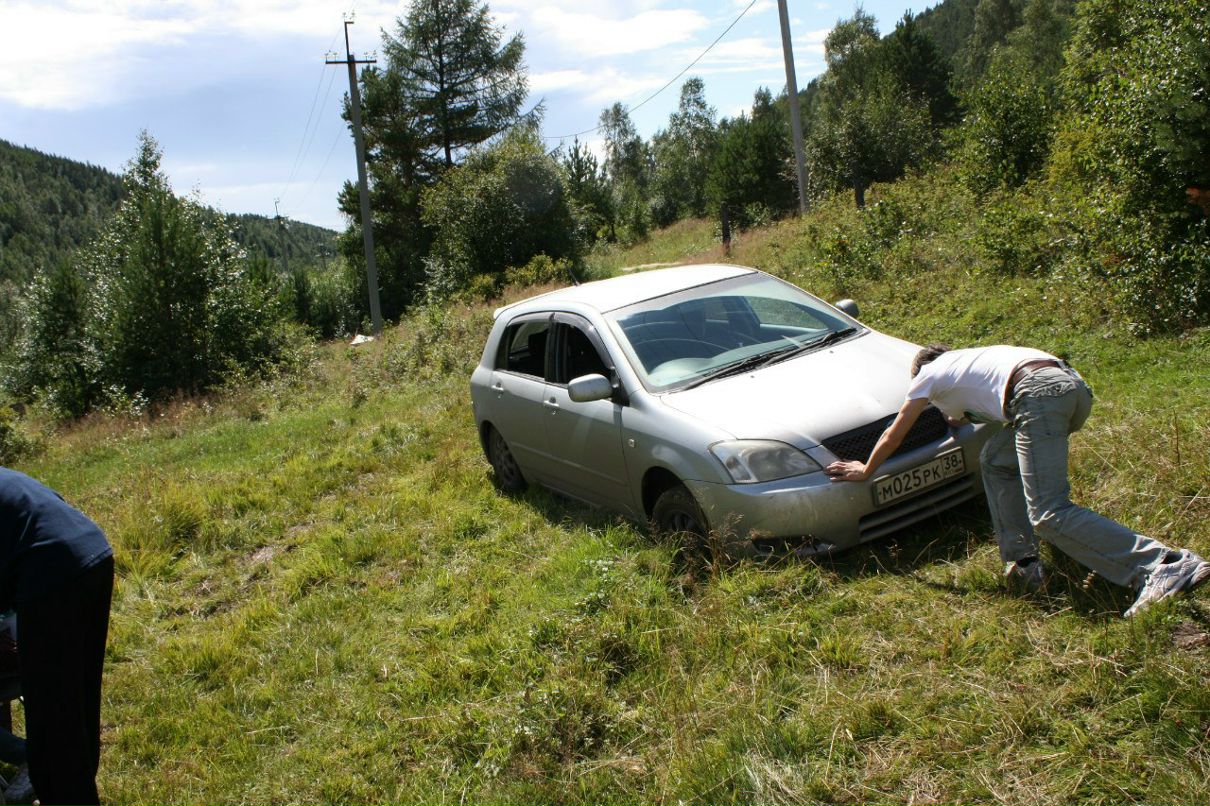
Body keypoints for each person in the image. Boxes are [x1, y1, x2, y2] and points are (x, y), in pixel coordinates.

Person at [824, 344, 1209, 617]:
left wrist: (866, 470)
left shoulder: (927, 375)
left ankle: (1163, 564)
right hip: (1071, 389)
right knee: (995, 460)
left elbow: (896, 432)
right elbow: (971, 412)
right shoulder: (971, 361)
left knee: (1048, 514)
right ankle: (1023, 564)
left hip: (1035, 397)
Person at [0, 467, 113, 806]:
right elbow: (49, 508)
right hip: (92, 551)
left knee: (52, 730)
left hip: (48, 574)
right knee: (75, 703)